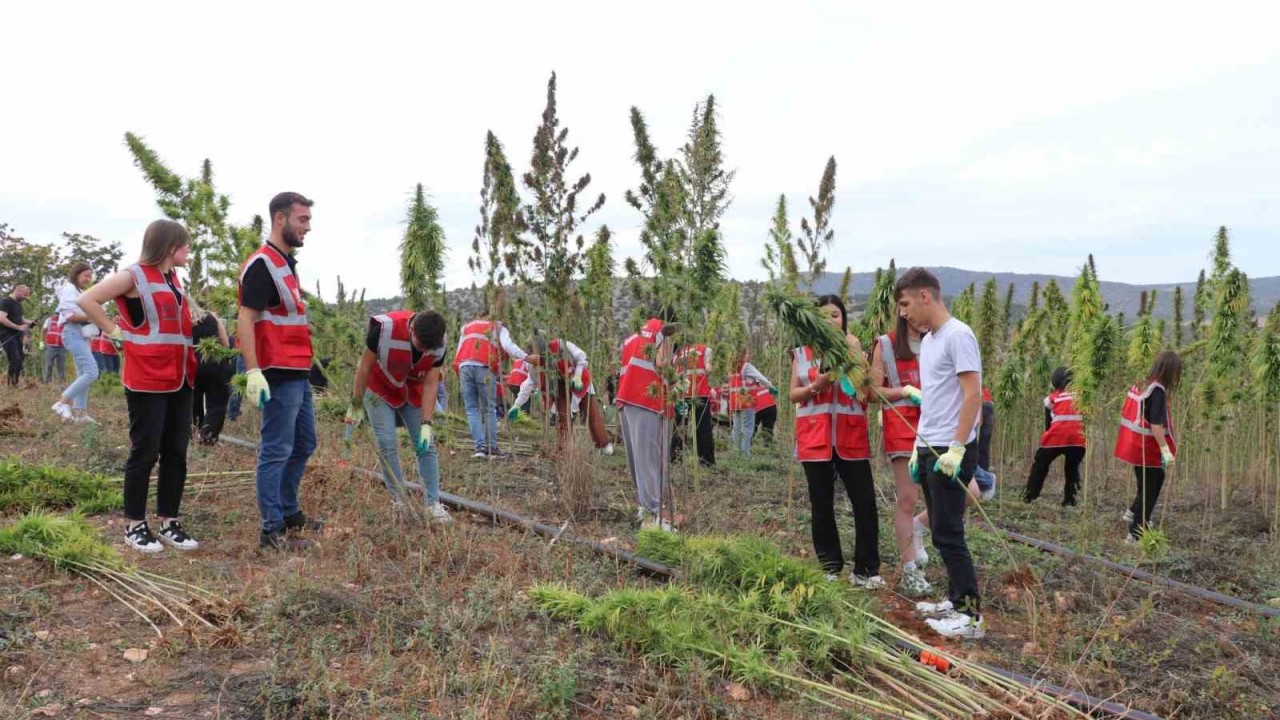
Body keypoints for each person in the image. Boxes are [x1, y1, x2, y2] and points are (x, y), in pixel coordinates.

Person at [78, 220, 200, 553]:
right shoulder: (134, 275)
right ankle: (134, 525)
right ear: (169, 245)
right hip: (147, 376)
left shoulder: (173, 278)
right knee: (145, 451)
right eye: (184, 243)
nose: (188, 250)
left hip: (180, 376)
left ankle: (169, 522)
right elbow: (88, 300)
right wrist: (114, 332)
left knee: (176, 451)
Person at [897, 268, 985, 640]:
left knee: (949, 532)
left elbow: (973, 395)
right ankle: (954, 599)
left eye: (905, 303)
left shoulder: (958, 336)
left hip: (951, 448)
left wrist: (957, 447)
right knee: (940, 527)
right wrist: (919, 450)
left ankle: (970, 616)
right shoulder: (930, 341)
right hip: (930, 445)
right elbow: (936, 396)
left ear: (925, 296)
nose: (903, 313)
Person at [237, 192, 323, 552]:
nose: (307, 227)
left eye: (308, 220)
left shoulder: (285, 263)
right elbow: (246, 318)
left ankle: (289, 512)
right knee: (276, 448)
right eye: (302, 220)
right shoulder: (262, 265)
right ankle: (271, 528)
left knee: (304, 442)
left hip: (297, 369)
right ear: (280, 219)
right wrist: (253, 370)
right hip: (276, 370)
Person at [790, 294, 882, 588]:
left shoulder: (854, 350)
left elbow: (866, 394)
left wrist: (855, 356)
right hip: (814, 437)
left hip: (850, 436)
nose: (830, 320)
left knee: (865, 502)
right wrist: (816, 386)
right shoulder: (801, 354)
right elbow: (792, 394)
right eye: (824, 315)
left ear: (844, 319)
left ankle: (866, 570)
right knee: (821, 502)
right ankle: (830, 565)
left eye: (836, 315)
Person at [347, 309, 452, 522]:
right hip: (380, 388)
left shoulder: (439, 344)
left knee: (426, 444)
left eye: (427, 348)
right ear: (411, 328)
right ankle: (400, 501)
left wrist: (426, 424)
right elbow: (364, 366)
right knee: (386, 442)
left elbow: (432, 382)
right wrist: (356, 403)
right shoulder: (384, 329)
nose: (422, 350)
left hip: (412, 391)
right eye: (419, 344)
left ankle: (432, 504)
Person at [869, 314, 932, 597]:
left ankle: (919, 527)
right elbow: (872, 391)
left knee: (967, 490)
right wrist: (904, 390)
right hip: (902, 427)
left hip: (937, 427)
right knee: (908, 498)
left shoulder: (940, 339)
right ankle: (909, 570)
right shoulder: (886, 344)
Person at [452, 298, 538, 459]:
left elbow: (458, 352)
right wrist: (527, 358)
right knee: (489, 408)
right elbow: (509, 347)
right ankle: (491, 448)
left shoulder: (466, 328)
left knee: (471, 409)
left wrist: (459, 374)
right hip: (484, 367)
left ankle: (479, 448)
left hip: (464, 367)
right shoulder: (497, 327)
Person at [618, 312, 677, 531]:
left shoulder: (634, 334)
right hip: (649, 400)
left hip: (627, 397)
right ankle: (654, 517)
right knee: (652, 458)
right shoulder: (664, 331)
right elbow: (662, 363)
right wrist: (677, 379)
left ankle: (645, 508)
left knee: (638, 459)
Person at [1115, 351, 1181, 542]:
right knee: (1151, 489)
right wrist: (1166, 452)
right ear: (1170, 371)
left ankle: (1132, 512)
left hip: (1137, 448)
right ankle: (1135, 534)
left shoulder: (1145, 384)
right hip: (1149, 450)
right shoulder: (1157, 391)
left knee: (1146, 486)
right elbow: (1156, 426)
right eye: (1177, 372)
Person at [510, 335, 612, 453]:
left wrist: (578, 376)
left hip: (578, 380)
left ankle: (603, 444)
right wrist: (517, 405)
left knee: (590, 411)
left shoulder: (562, 345)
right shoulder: (532, 366)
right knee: (563, 417)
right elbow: (529, 384)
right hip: (559, 388)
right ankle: (564, 449)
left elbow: (581, 357)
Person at [1023, 367, 1086, 506]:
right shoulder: (1083, 396)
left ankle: (1029, 496)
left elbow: (1048, 424)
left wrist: (1046, 440)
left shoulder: (1052, 398)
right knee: (1072, 469)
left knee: (1040, 464)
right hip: (1078, 439)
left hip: (1056, 438)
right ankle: (1070, 500)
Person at [51, 263, 100, 423]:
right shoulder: (69, 289)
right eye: (86, 275)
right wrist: (93, 316)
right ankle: (62, 402)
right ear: (76, 274)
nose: (88, 279)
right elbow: (70, 315)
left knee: (83, 373)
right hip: (72, 333)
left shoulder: (80, 292)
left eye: (90, 275)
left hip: (82, 334)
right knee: (91, 372)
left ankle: (81, 414)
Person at [190, 301, 233, 445]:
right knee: (217, 402)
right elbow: (225, 343)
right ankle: (208, 436)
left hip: (192, 362)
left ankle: (193, 431)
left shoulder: (181, 320)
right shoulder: (212, 317)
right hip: (215, 361)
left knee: (193, 400)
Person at [728, 348, 777, 457]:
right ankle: (745, 453)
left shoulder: (732, 368)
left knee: (736, 427)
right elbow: (760, 377)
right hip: (747, 401)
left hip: (735, 402)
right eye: (747, 353)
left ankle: (736, 452)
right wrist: (771, 386)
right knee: (747, 428)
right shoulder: (747, 366)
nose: (749, 355)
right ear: (743, 355)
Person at [673, 343, 716, 467]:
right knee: (703, 427)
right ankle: (706, 461)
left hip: (682, 394)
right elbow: (709, 369)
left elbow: (674, 373)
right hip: (700, 393)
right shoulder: (705, 349)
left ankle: (675, 457)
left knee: (680, 425)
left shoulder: (679, 352)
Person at [0, 285, 34, 387]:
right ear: (17, 291)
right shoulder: (6, 302)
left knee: (20, 358)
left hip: (17, 335)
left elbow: (21, 319)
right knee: (14, 359)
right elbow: (1, 318)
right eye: (24, 295)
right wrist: (18, 327)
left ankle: (15, 383)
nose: (25, 297)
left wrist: (31, 323)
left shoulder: (18, 304)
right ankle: (10, 385)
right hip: (6, 334)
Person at [972, 387, 997, 500]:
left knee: (977, 446)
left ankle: (983, 482)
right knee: (981, 446)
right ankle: (983, 481)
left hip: (980, 404)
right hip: (981, 403)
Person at [40, 316, 67, 384]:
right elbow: (43, 331)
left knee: (61, 367)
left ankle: (61, 383)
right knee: (49, 365)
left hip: (61, 347)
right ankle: (47, 382)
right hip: (50, 346)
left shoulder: (65, 321)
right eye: (56, 313)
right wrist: (41, 342)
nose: (57, 315)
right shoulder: (49, 320)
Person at [752, 374, 778, 445]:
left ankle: (748, 447)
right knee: (768, 430)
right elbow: (776, 392)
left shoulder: (752, 387)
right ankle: (768, 446)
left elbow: (775, 392)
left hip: (760, 410)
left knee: (753, 430)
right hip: (770, 408)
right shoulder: (766, 384)